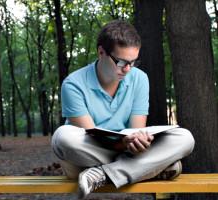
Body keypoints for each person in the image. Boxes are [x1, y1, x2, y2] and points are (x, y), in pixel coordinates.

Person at [51, 20, 195, 199]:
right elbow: (91, 136)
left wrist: (138, 141)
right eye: (121, 62)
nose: (127, 69)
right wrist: (129, 147)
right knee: (63, 136)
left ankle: (103, 175)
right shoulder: (73, 84)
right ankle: (152, 168)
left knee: (185, 138)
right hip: (89, 154)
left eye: (133, 62)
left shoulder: (140, 79)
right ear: (101, 52)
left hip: (122, 154)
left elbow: (137, 129)